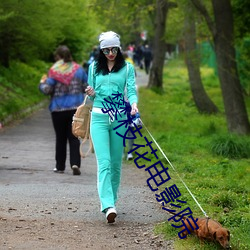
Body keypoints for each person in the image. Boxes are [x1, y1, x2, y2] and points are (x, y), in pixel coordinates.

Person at [85, 31, 138, 223]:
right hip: (98, 118)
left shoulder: (127, 68)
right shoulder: (93, 68)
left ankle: (112, 201)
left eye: (114, 49)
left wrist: (133, 104)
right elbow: (91, 97)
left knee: (116, 163)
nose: (110, 53)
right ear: (101, 50)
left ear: (119, 48)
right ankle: (107, 205)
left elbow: (131, 90)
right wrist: (90, 92)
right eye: (106, 50)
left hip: (119, 119)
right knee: (104, 163)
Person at [39, 45, 88, 175]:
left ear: (58, 57)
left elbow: (47, 90)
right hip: (75, 109)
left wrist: (42, 83)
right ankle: (75, 163)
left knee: (60, 138)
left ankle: (60, 166)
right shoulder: (79, 70)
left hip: (58, 109)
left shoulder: (54, 71)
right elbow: (86, 87)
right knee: (74, 137)